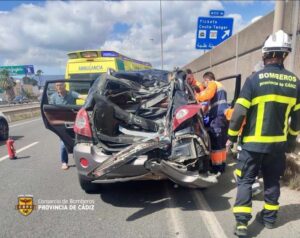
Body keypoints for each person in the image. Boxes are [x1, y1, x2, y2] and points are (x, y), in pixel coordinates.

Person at [228, 30, 300, 237]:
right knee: (272, 180)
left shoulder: (254, 80)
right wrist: (290, 140)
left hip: (252, 145)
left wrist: (231, 137)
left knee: (245, 180)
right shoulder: (295, 83)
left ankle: (242, 224)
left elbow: (239, 113)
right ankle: (269, 218)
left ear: (265, 53)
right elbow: (296, 119)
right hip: (277, 146)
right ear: (285, 55)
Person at [194, 71, 229, 173]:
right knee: (221, 143)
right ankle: (222, 166)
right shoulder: (220, 86)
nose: (205, 86)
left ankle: (216, 168)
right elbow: (208, 105)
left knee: (216, 141)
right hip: (222, 116)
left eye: (205, 84)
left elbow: (206, 95)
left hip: (217, 117)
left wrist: (197, 96)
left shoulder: (213, 84)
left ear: (207, 80)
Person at [50, 82, 86, 170]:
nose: (59, 87)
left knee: (77, 141)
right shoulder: (53, 97)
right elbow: (50, 108)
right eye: (57, 85)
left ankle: (77, 160)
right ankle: (64, 162)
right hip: (61, 122)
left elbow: (81, 96)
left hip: (73, 121)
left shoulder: (71, 93)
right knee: (63, 143)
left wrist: (89, 98)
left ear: (65, 86)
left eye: (61, 85)